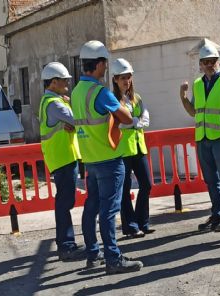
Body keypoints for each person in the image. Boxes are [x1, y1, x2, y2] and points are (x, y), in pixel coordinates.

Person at [71, 40, 143, 274]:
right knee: (109, 211)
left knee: (91, 207)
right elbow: (126, 117)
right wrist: (127, 114)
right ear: (100, 64)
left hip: (90, 159)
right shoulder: (99, 91)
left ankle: (93, 253)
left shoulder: (76, 91)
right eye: (105, 64)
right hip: (109, 158)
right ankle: (113, 258)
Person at [179, 39, 220, 232]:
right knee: (211, 179)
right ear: (200, 65)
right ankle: (217, 212)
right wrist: (182, 97)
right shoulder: (197, 84)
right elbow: (194, 112)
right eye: (205, 61)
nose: (209, 64)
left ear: (218, 61)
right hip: (202, 138)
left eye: (213, 60)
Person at [38, 62, 83, 261]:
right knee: (65, 202)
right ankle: (66, 245)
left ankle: (64, 243)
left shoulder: (50, 101)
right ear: (53, 82)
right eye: (64, 81)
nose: (67, 84)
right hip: (63, 157)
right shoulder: (54, 104)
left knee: (64, 201)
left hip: (62, 157)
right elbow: (77, 119)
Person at [110, 58, 153, 238]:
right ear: (115, 79)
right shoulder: (112, 100)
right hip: (123, 150)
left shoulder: (136, 98)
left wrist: (133, 123)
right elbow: (119, 124)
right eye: (122, 78)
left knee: (147, 185)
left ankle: (143, 221)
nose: (126, 81)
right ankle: (130, 226)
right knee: (125, 190)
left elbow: (146, 120)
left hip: (138, 147)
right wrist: (135, 123)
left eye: (128, 77)